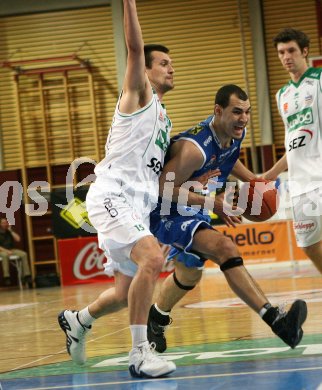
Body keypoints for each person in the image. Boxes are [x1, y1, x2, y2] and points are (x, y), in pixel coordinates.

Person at [58, 0, 176, 379]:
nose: (170, 67)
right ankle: (140, 354)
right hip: (112, 194)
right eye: (163, 63)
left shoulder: (164, 118)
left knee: (126, 293)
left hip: (136, 204)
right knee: (153, 261)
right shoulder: (137, 95)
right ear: (144, 71)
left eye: (171, 63)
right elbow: (134, 49)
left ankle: (78, 320)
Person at [147, 84, 308, 353]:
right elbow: (161, 189)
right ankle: (277, 321)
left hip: (193, 207)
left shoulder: (235, 134)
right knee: (225, 249)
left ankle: (156, 317)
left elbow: (230, 161)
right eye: (236, 112)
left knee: (189, 274)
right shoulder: (194, 149)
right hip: (165, 210)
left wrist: (267, 175)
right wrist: (213, 203)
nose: (243, 118)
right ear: (218, 111)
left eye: (246, 112)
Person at [262, 29, 322, 275]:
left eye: (291, 51)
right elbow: (291, 143)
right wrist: (271, 173)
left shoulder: (319, 79)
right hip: (300, 185)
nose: (286, 56)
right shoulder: (281, 95)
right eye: (281, 52)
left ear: (304, 51)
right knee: (309, 245)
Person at [0, 217, 32, 287]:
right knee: (4, 255)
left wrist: (11, 231)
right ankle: (6, 277)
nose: (5, 224)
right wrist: (6, 251)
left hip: (12, 250)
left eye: (6, 223)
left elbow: (18, 239)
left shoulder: (10, 232)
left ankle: (27, 275)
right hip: (2, 251)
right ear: (0, 224)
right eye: (3, 223)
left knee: (23, 254)